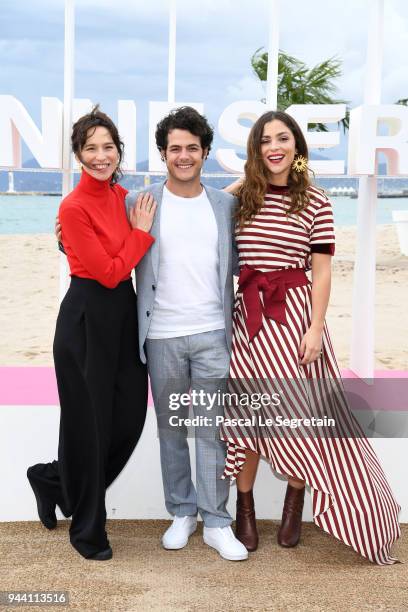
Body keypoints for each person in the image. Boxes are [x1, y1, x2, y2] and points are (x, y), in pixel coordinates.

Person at [220, 110, 401, 565]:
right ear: (256, 149)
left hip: (297, 319)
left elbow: (321, 271)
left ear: (297, 146)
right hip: (250, 319)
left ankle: (294, 504)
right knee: (247, 414)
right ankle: (244, 508)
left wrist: (316, 329)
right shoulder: (239, 196)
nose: (274, 146)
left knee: (303, 416)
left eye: (283, 138)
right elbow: (189, 213)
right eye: (265, 140)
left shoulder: (317, 201)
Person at [27, 106, 156, 560]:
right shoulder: (73, 205)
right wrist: (141, 235)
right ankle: (87, 531)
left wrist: (135, 232)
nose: (101, 156)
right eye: (91, 148)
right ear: (79, 155)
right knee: (88, 429)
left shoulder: (125, 198)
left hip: (123, 316)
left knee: (127, 420)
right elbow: (107, 271)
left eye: (108, 147)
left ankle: (53, 480)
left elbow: (188, 199)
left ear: (119, 150)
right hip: (85, 317)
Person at [124, 106, 248, 561]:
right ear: (163, 154)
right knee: (173, 429)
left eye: (192, 148)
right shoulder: (140, 203)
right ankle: (182, 512)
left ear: (206, 153)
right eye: (175, 148)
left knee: (212, 430)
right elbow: (102, 237)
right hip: (162, 335)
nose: (183, 155)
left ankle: (217, 521)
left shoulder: (225, 204)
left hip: (215, 332)